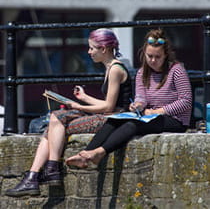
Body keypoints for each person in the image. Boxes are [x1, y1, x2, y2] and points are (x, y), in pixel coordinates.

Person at [5, 28, 132, 197]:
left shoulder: (115, 69)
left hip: (111, 120)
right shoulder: (111, 67)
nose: (89, 52)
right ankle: (38, 174)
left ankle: (44, 172)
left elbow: (109, 108)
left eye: (92, 48)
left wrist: (78, 106)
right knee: (54, 121)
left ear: (103, 49)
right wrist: (84, 98)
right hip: (107, 115)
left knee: (55, 119)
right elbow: (110, 104)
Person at [66, 28, 192, 168]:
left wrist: (159, 111)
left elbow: (185, 101)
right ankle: (85, 154)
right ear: (144, 53)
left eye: (158, 57)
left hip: (175, 120)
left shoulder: (176, 70)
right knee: (113, 121)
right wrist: (138, 104)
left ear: (166, 55)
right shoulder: (142, 73)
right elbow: (141, 97)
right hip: (149, 116)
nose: (153, 60)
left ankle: (100, 153)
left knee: (132, 125)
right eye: (149, 56)